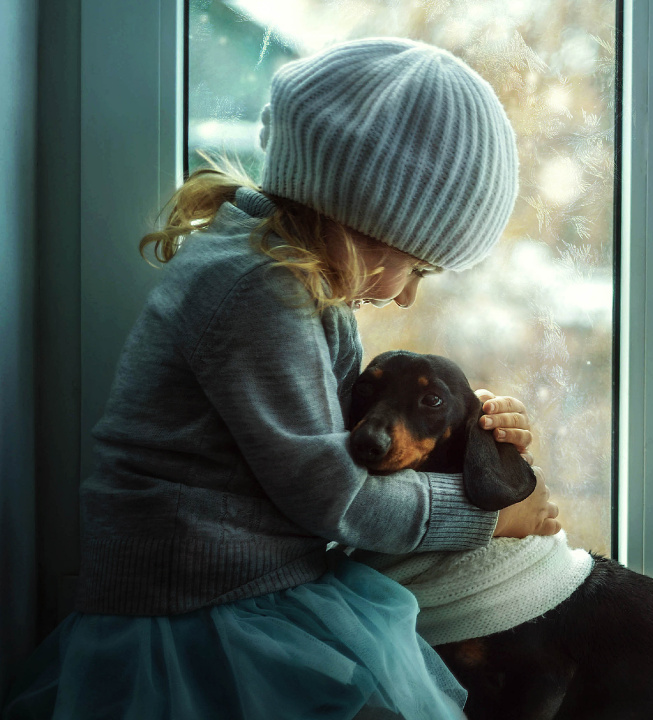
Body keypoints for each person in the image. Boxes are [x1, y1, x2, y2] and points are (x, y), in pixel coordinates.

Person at [2, 37, 560, 719]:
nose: (409, 296)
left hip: (237, 589)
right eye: (417, 268)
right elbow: (336, 495)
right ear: (369, 222)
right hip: (200, 614)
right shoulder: (257, 293)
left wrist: (475, 437)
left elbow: (353, 448)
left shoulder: (280, 284)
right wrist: (486, 517)